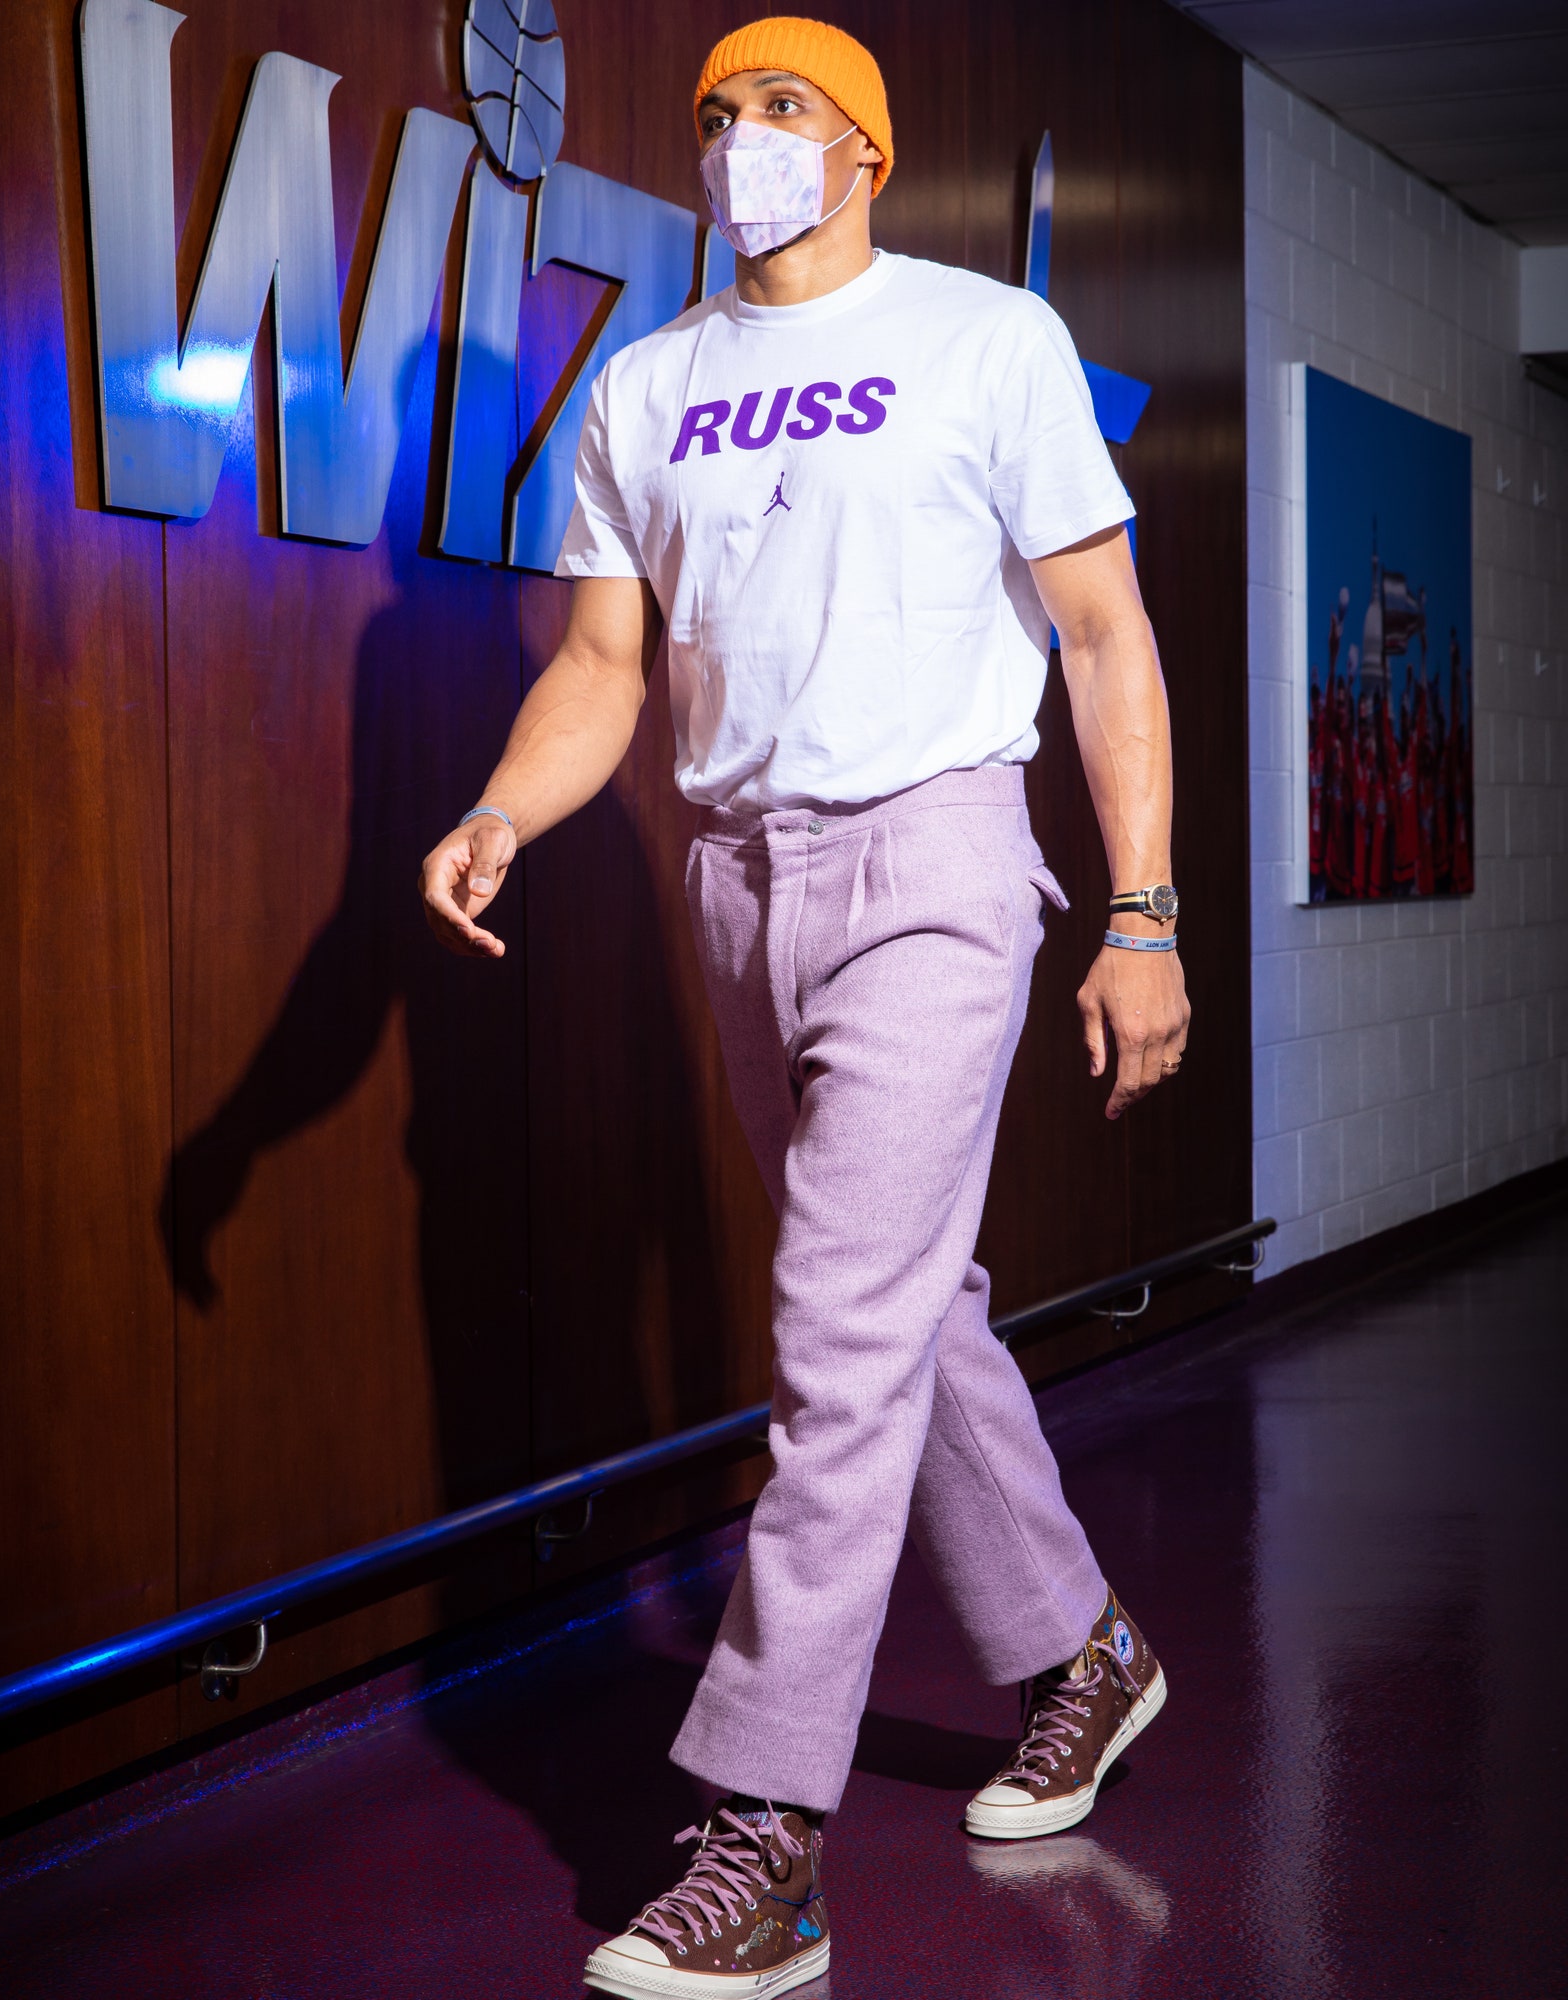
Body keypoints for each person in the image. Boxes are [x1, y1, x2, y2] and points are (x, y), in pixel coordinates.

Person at [419, 19, 1189, 1995]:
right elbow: (604, 659)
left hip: (935, 850)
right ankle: (1081, 1656)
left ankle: (759, 1840)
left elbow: (1101, 635)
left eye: (774, 111)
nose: (734, 142)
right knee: (908, 1304)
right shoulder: (645, 388)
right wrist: (508, 800)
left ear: (859, 149)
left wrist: (1142, 910)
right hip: (737, 878)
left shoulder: (979, 338)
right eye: (712, 117)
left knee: (837, 1338)